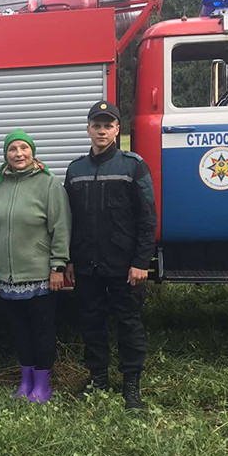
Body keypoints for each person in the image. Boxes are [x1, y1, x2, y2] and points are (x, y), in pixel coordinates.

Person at [64, 101, 157, 410]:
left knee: (129, 325)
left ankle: (132, 387)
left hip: (124, 266)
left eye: (108, 125)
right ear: (88, 129)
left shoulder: (133, 166)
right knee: (92, 324)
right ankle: (98, 379)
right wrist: (70, 261)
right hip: (87, 266)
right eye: (96, 125)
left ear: (118, 129)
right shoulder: (75, 170)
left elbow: (147, 218)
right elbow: (68, 220)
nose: (101, 130)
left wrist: (140, 262)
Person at [0, 129, 71, 404]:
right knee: (19, 331)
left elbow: (61, 227)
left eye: (23, 148)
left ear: (32, 152)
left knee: (41, 331)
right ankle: (26, 380)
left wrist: (58, 266)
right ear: (6, 154)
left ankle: (43, 385)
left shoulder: (48, 184)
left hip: (40, 275)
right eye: (12, 149)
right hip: (8, 275)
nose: (18, 154)